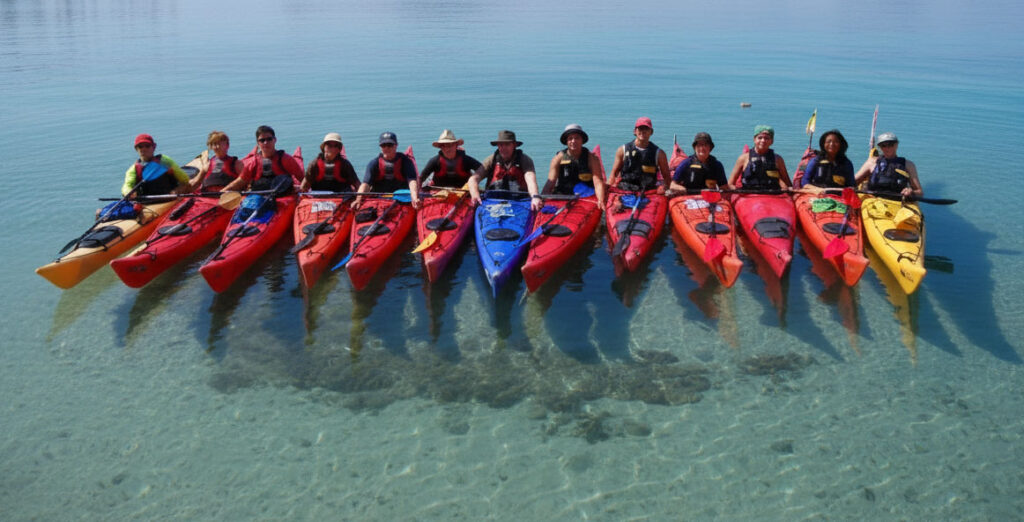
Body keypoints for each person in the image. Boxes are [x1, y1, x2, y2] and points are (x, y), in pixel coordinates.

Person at [468, 130, 542, 211]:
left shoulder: (524, 160)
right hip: (493, 201)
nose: (503, 148)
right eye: (501, 145)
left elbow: (530, 178)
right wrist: (475, 194)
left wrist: (535, 196)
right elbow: (473, 179)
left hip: (519, 201)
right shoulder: (491, 160)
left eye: (507, 144)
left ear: (514, 145)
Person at [543, 123, 606, 210]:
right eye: (570, 138)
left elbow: (597, 181)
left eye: (577, 138)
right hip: (564, 195)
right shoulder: (557, 158)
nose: (573, 141)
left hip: (586, 195)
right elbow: (551, 181)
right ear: (566, 141)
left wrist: (601, 200)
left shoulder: (592, 158)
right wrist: (542, 198)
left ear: (582, 140)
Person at [223, 125, 303, 193]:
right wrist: (222, 192)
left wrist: (303, 190)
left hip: (284, 198)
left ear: (275, 140)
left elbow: (302, 179)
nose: (266, 143)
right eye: (262, 140)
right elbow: (240, 181)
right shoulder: (253, 163)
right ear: (258, 143)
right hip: (260, 198)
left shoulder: (286, 159)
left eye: (269, 139)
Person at [353, 131, 421, 209]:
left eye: (389, 145)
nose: (386, 148)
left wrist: (414, 198)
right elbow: (366, 184)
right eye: (383, 145)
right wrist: (358, 199)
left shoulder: (406, 161)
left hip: (401, 198)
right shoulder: (374, 163)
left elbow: (412, 181)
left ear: (396, 145)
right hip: (379, 198)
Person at [609, 117, 671, 194]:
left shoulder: (659, 154)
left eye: (646, 129)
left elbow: (666, 176)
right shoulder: (622, 150)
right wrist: (609, 188)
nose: (643, 131)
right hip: (625, 189)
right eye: (640, 129)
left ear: (651, 132)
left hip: (649, 190)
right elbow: (614, 173)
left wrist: (666, 188)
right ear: (635, 131)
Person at [854, 132, 923, 197]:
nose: (887, 148)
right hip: (873, 200)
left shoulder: (908, 165)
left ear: (896, 144)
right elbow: (853, 181)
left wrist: (911, 192)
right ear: (880, 147)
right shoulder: (872, 162)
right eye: (883, 145)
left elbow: (920, 192)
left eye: (890, 144)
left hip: (898, 201)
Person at [122, 133, 191, 196]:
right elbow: (127, 186)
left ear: (153, 147)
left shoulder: (165, 161)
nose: (144, 149)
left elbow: (184, 179)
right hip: (147, 202)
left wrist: (178, 189)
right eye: (140, 147)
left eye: (147, 146)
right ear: (136, 149)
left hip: (170, 197)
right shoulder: (133, 169)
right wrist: (128, 192)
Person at [728, 125, 791, 190]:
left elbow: (788, 183)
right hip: (748, 193)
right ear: (754, 139)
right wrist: (737, 191)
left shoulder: (778, 159)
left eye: (767, 138)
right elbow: (730, 184)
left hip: (773, 194)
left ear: (772, 141)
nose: (763, 140)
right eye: (760, 138)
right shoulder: (743, 158)